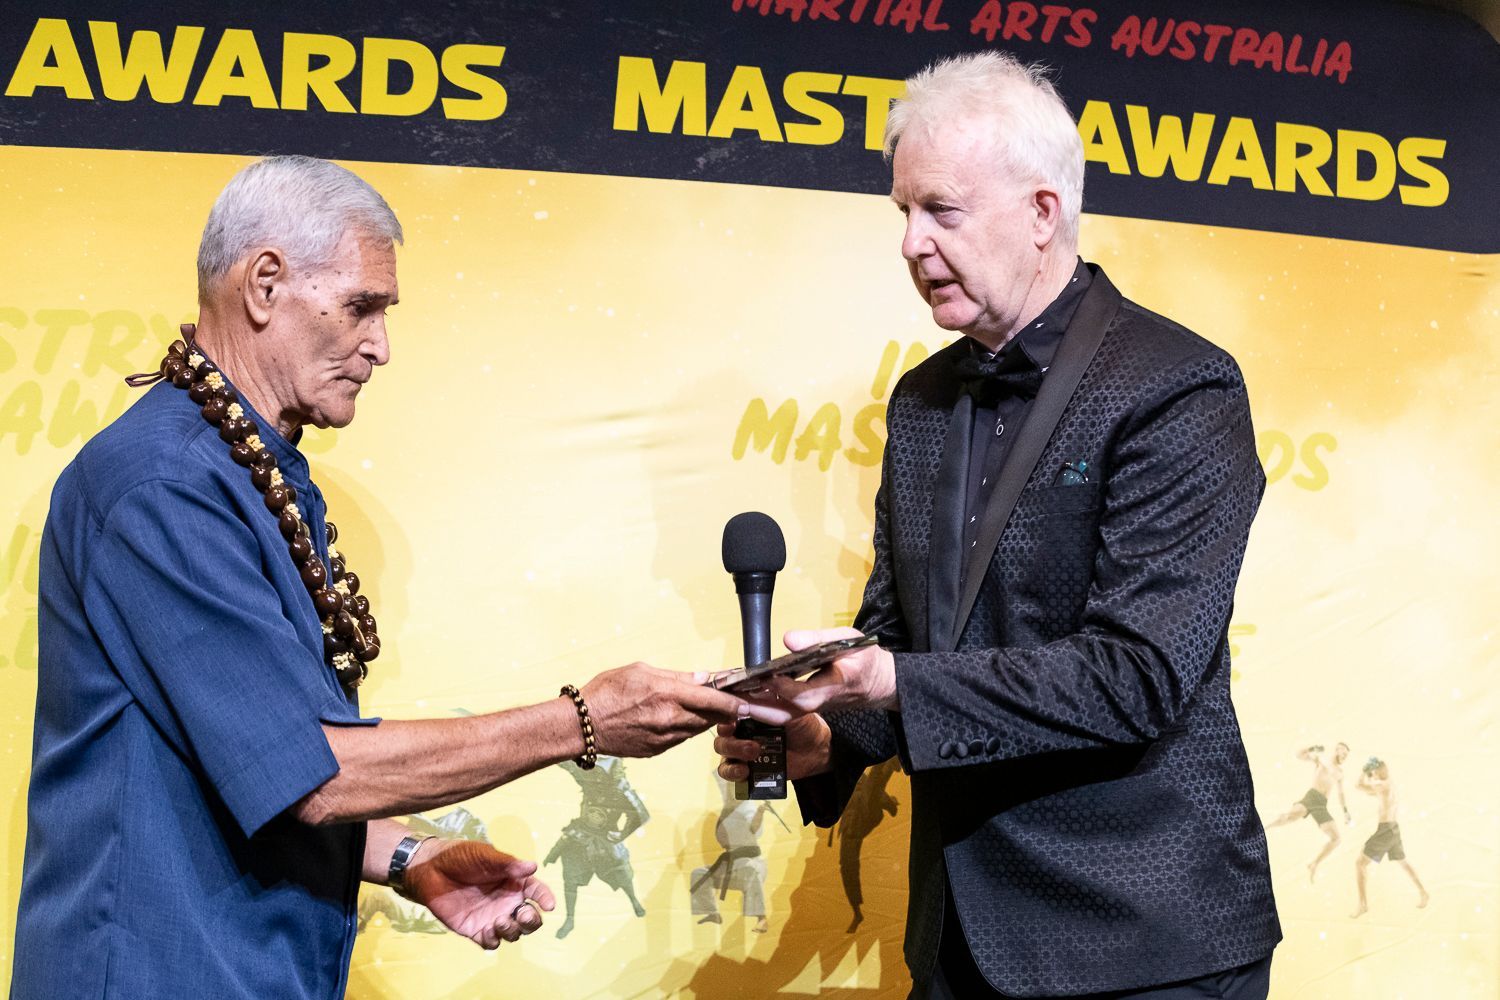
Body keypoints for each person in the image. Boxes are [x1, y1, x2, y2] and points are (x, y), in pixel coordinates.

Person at [12, 155, 786, 1000]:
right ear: (265, 284)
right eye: (361, 306)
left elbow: (240, 757)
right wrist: (585, 720)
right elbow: (312, 773)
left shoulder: (246, 466)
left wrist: (411, 857)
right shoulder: (163, 484)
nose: (381, 346)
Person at [718, 52, 1279, 998]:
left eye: (941, 210)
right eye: (903, 212)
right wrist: (829, 740)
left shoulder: (1179, 387)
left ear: (1041, 213)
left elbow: (1137, 676)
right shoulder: (921, 401)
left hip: (1142, 945)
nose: (911, 243)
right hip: (957, 939)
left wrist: (891, 681)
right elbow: (900, 637)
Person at [545, 757, 651, 938]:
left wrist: (622, 835)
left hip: (606, 837)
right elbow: (567, 763)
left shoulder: (620, 788)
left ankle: (634, 900)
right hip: (580, 833)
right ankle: (570, 919)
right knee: (570, 877)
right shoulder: (586, 772)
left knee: (621, 870)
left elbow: (640, 814)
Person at [1351, 757, 1429, 918]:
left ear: (1379, 772)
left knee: (1360, 864)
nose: (1373, 775)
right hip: (1393, 829)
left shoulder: (1382, 785)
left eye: (1375, 772)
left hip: (1385, 831)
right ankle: (1423, 892)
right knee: (1403, 863)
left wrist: (1364, 772)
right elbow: (1367, 790)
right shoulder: (1387, 786)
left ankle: (1363, 904)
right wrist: (1368, 774)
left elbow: (1358, 785)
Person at [1267, 742, 1352, 882]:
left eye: (1346, 755)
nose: (1344, 756)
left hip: (1321, 805)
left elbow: (1341, 793)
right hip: (1311, 797)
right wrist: (1311, 748)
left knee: (1336, 839)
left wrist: (1345, 811)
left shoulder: (1340, 773)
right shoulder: (1322, 760)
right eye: (1343, 752)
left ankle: (1314, 864)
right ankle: (1263, 828)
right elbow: (1299, 755)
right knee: (1288, 817)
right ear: (1337, 750)